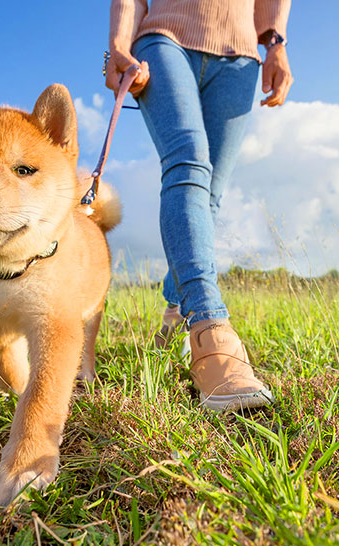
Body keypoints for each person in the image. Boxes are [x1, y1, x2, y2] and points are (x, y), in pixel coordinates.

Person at [106, 0, 292, 412]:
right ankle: (210, 328)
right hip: (163, 40)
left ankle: (175, 306)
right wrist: (119, 43)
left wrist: (275, 43)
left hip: (241, 57)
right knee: (188, 162)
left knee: (210, 195)